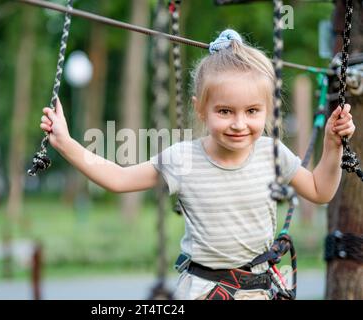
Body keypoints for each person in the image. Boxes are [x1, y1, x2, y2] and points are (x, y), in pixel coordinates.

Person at [39, 29, 355, 300]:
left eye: (252, 111)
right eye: (225, 111)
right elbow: (119, 178)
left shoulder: (272, 153)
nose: (239, 124)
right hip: (204, 290)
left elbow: (319, 189)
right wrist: (67, 143)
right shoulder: (183, 159)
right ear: (201, 109)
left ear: (267, 111)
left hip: (258, 290)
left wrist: (331, 146)